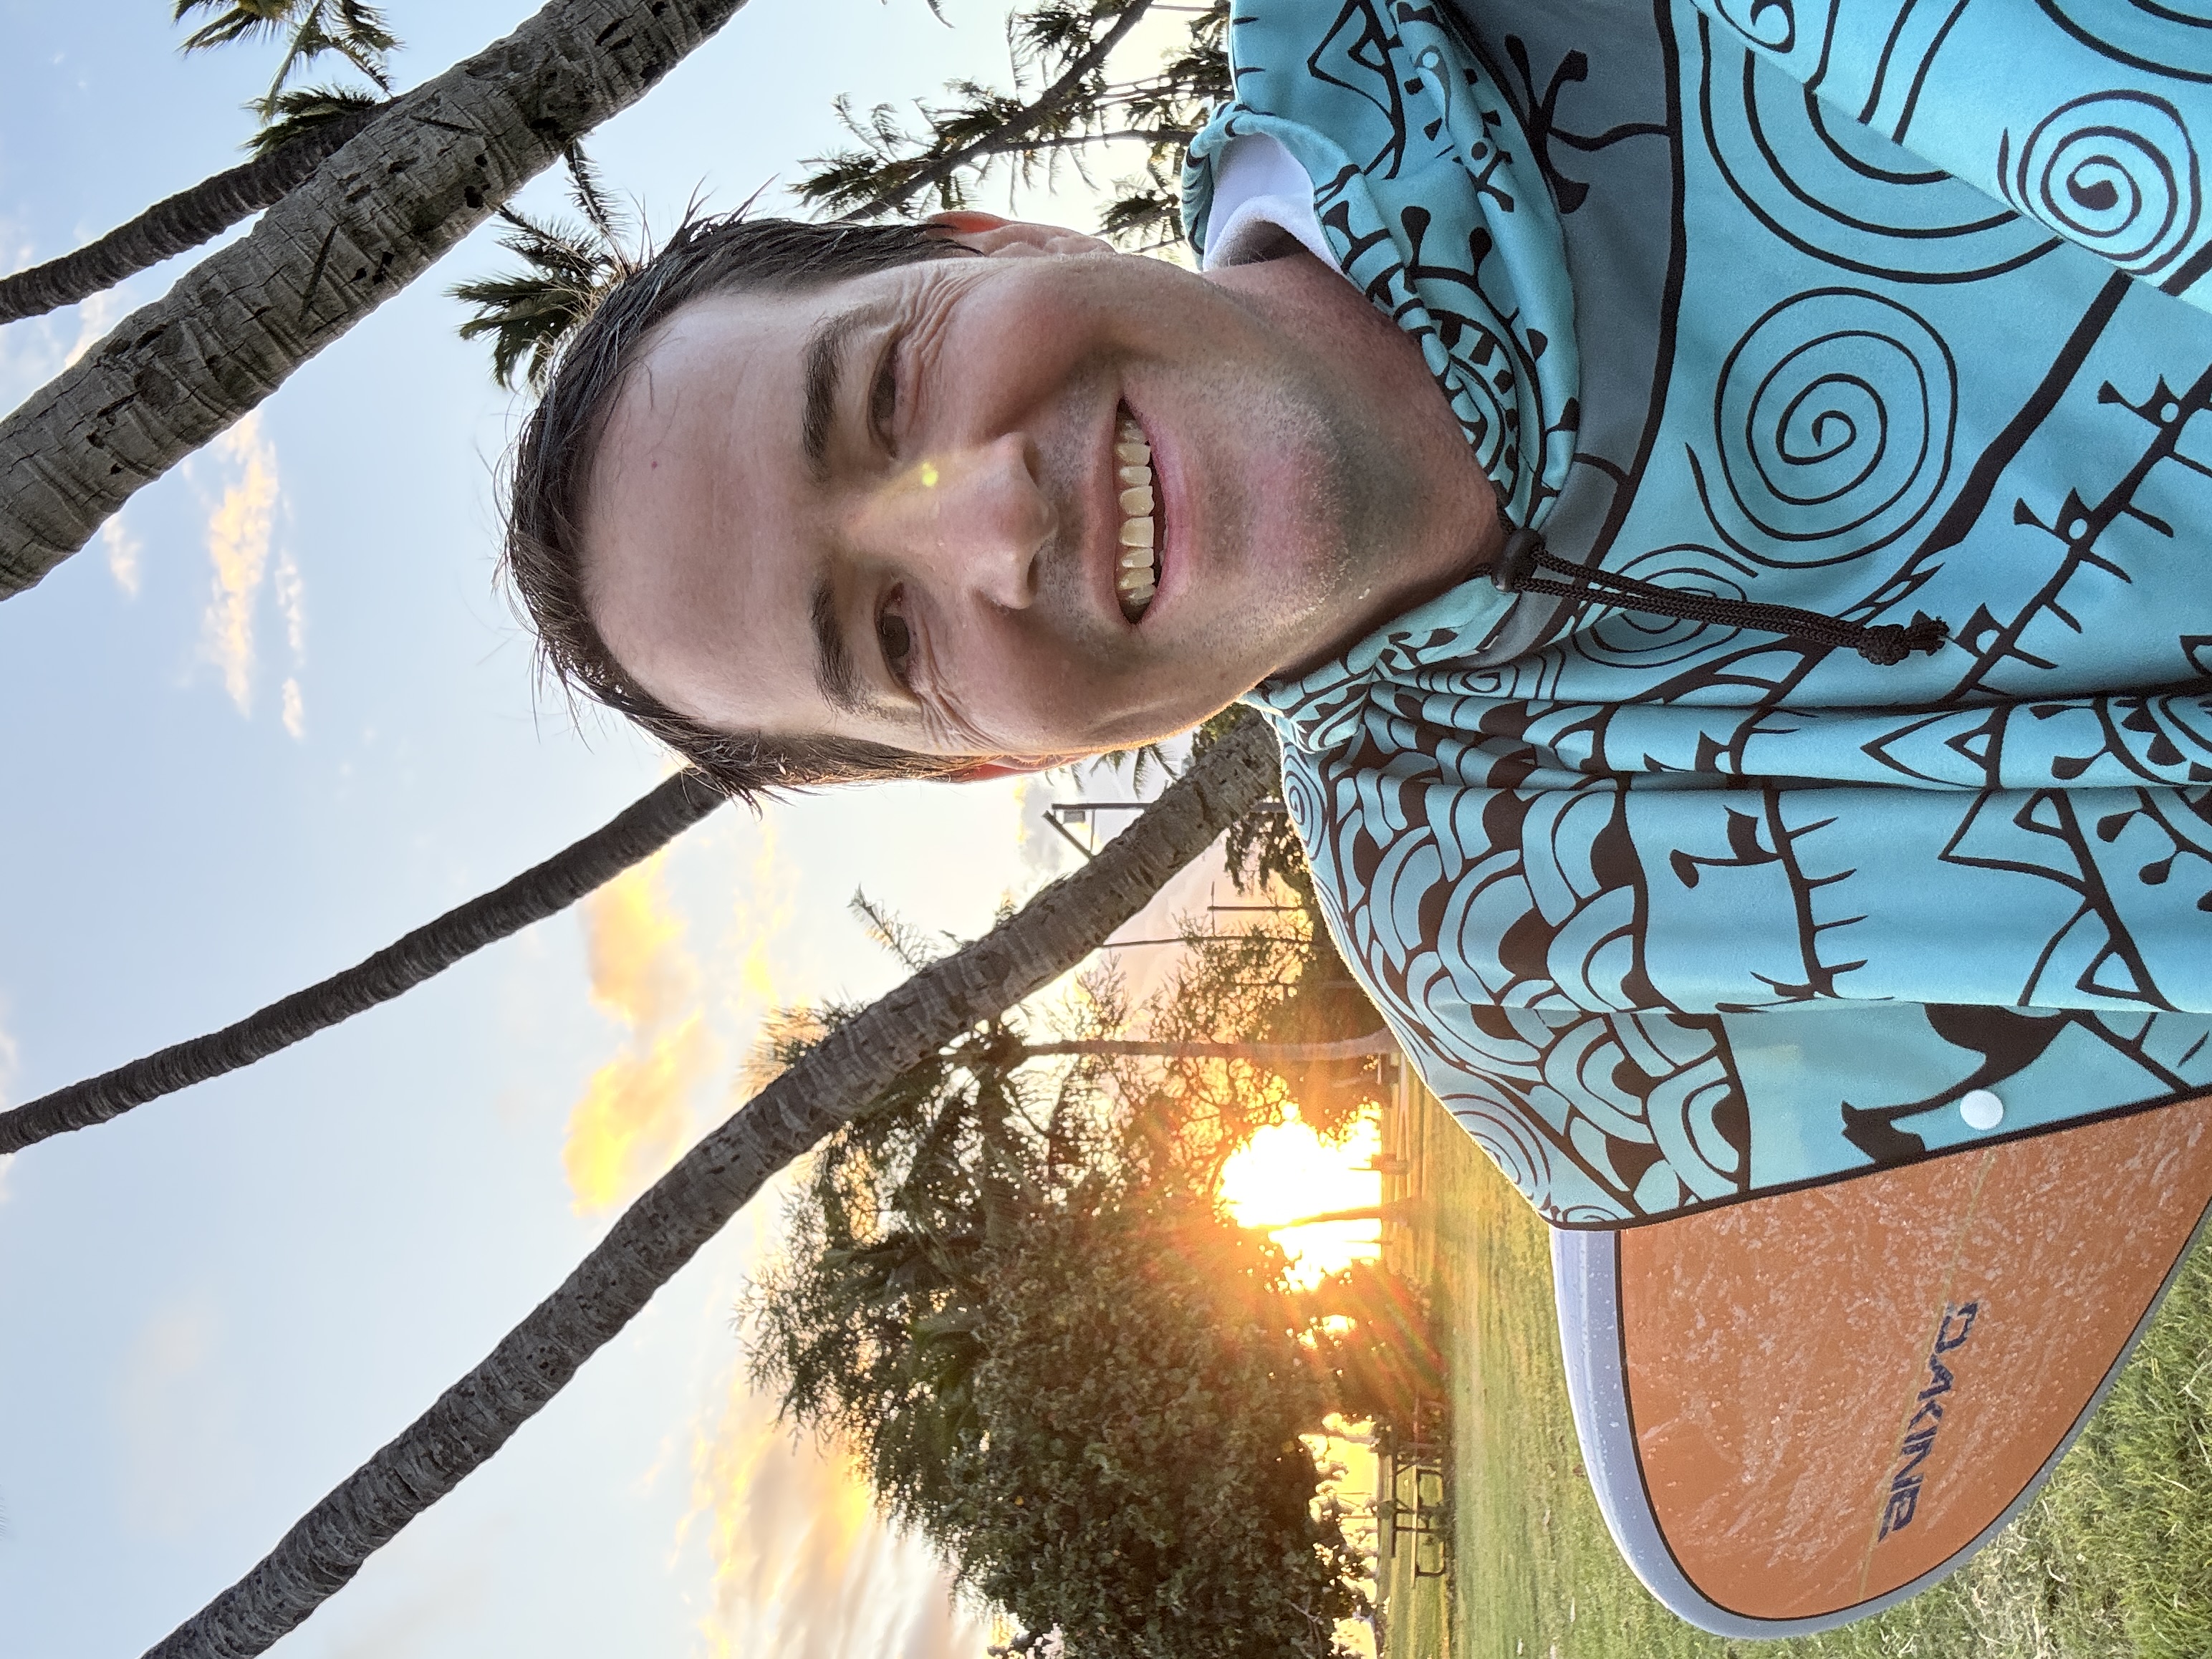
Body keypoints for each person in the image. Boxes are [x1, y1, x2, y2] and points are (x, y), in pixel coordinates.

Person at [503, 0, 2212, 1225]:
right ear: (972, 767)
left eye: (887, 394)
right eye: (890, 639)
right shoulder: (1508, 977)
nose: (993, 532)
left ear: (992, 231)